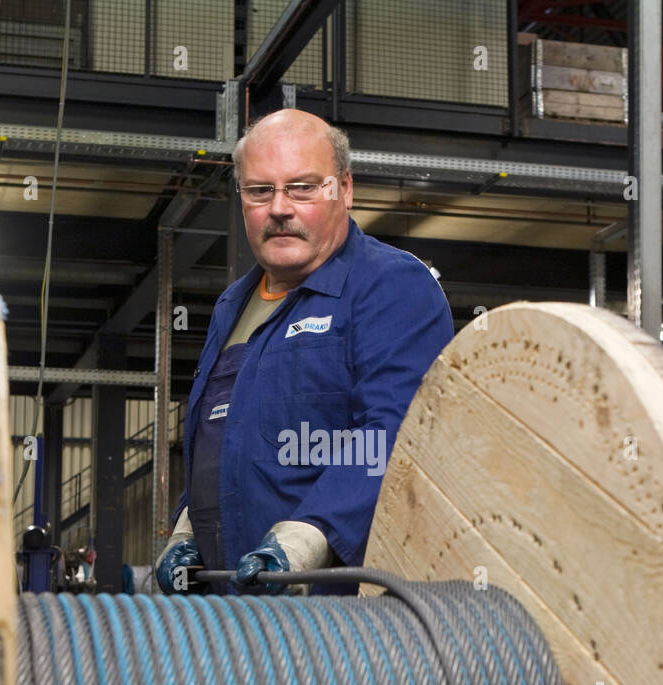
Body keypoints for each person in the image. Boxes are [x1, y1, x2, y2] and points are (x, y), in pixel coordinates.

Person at [155, 108, 453, 595]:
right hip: (228, 601)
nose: (279, 208)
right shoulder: (233, 305)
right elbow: (220, 442)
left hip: (332, 609)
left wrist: (312, 537)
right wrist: (187, 526)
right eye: (260, 191)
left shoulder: (391, 286)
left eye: (302, 187)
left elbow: (393, 438)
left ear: (345, 190)